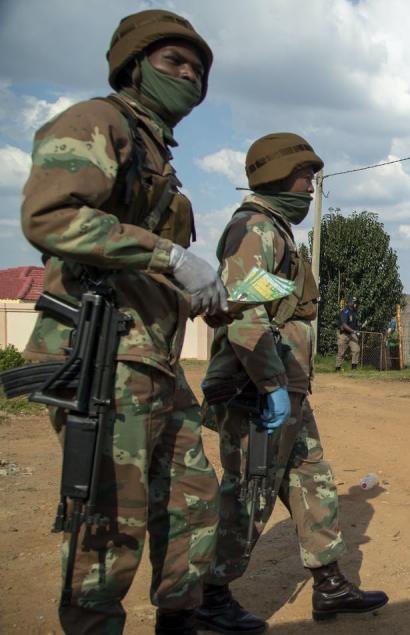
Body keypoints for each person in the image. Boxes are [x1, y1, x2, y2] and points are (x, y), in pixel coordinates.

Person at [19, 10, 226, 634]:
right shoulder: (97, 121)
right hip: (103, 355)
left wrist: (198, 293)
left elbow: (138, 264)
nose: (188, 75)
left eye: (198, 69)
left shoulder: (156, 150)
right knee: (111, 518)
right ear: (133, 66)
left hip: (153, 357)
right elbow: (50, 217)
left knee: (192, 499)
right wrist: (171, 257)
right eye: (173, 62)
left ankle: (180, 619)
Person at [199, 133, 388, 633]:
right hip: (258, 391)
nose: (310, 189)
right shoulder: (255, 228)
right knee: (251, 489)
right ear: (277, 176)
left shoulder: (276, 230)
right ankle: (208, 596)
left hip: (286, 387)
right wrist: (269, 385)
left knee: (311, 478)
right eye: (306, 178)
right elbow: (241, 312)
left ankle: (329, 585)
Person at [335, 296, 361, 371]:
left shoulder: (355, 312)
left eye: (356, 302)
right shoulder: (345, 311)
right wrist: (354, 331)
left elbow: (356, 322)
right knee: (341, 352)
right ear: (350, 302)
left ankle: (354, 368)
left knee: (356, 349)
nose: (355, 304)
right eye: (354, 302)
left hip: (351, 334)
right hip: (343, 334)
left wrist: (359, 324)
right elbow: (344, 325)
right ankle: (338, 368)